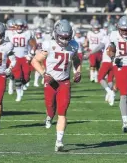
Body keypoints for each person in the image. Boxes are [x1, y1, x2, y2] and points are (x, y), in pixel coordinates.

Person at [31, 19, 81, 151]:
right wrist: (44, 74)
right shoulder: (49, 45)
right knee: (50, 108)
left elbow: (76, 60)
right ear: (56, 34)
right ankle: (48, 116)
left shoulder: (74, 45)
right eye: (62, 37)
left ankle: (59, 141)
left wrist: (78, 71)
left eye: (67, 37)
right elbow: (35, 61)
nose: (65, 40)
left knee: (62, 112)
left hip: (64, 82)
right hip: (51, 81)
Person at [6, 19, 37, 102]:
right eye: (18, 26)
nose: (19, 27)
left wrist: (31, 54)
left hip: (25, 57)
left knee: (27, 77)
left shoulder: (27, 33)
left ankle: (20, 86)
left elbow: (34, 44)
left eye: (21, 26)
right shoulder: (9, 33)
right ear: (15, 26)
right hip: (14, 57)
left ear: (23, 27)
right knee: (17, 76)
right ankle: (18, 94)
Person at [88, 25, 116, 106]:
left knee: (100, 77)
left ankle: (110, 92)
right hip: (114, 62)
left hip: (107, 61)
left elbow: (100, 46)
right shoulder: (118, 38)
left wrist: (91, 52)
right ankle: (110, 97)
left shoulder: (107, 38)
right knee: (110, 79)